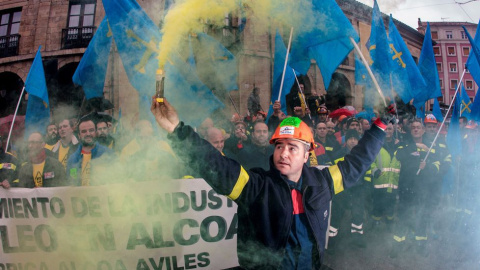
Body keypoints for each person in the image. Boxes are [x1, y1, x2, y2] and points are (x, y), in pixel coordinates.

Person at [151, 98, 388, 269]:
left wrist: (379, 127)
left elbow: (357, 162)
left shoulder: (322, 183)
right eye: (279, 146)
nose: (283, 153)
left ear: (307, 155)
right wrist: (176, 130)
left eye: (292, 147)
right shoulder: (256, 187)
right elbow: (215, 166)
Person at [390, 119, 443, 258]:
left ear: (423, 130)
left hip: (423, 187)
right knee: (402, 215)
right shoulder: (404, 144)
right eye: (413, 127)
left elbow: (438, 164)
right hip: (406, 186)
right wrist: (415, 146)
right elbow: (398, 155)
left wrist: (428, 167)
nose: (415, 129)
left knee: (422, 215)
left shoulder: (431, 145)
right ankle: (398, 243)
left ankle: (421, 243)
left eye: (418, 127)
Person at [66, 115, 114, 186]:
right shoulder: (72, 160)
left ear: (96, 132)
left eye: (91, 130)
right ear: (79, 135)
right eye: (84, 131)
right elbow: (70, 184)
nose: (88, 134)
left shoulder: (108, 154)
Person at [370, 123, 400, 230]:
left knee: (391, 204)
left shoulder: (399, 145)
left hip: (393, 181)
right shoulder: (375, 145)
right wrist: (375, 171)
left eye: (390, 129)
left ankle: (389, 220)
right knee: (378, 204)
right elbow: (370, 161)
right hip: (380, 181)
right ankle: (376, 221)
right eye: (385, 129)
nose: (388, 131)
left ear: (393, 130)